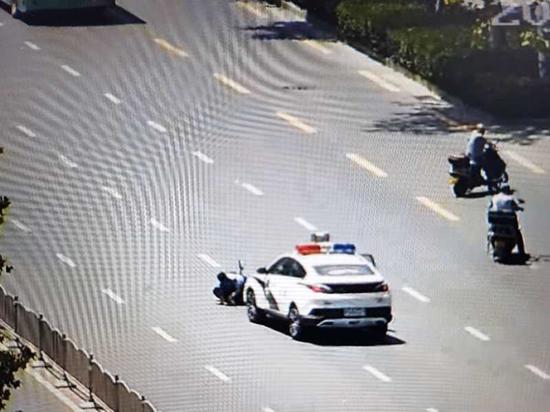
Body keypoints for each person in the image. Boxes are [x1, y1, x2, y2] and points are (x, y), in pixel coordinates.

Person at [487, 185, 527, 257]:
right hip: (508, 220)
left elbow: (490, 207)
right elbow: (515, 207)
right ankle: (521, 252)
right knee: (517, 232)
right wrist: (519, 208)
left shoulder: (494, 197)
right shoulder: (510, 198)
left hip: (495, 219)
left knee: (490, 230)